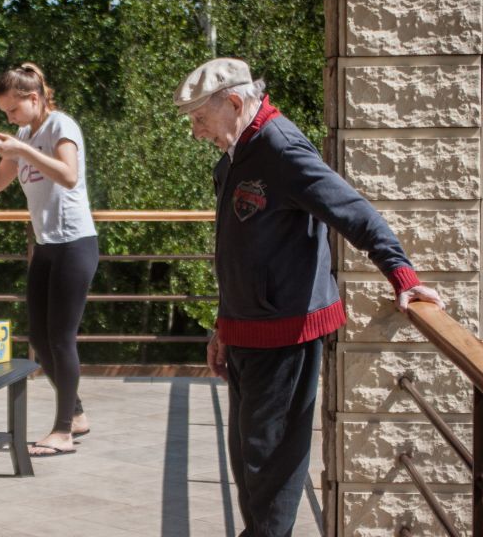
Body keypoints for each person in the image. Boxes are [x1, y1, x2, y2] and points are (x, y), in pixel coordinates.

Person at [174, 57, 445, 536]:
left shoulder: (280, 148)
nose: (196, 133)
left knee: (271, 466)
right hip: (246, 330)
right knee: (249, 461)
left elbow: (353, 210)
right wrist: (223, 327)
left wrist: (401, 273)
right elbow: (238, 252)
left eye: (200, 120)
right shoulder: (237, 152)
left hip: (283, 333)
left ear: (235, 102)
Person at [0, 63, 98, 457]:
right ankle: (77, 413)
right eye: (5, 114)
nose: (10, 118)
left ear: (34, 99)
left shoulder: (59, 126)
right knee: (39, 338)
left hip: (75, 243)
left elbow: (69, 174)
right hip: (48, 245)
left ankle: (63, 431)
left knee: (61, 338)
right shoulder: (23, 134)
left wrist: (24, 150)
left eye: (13, 110)